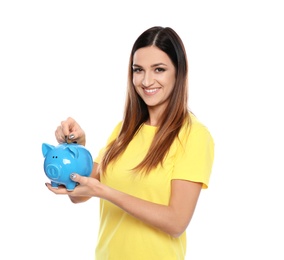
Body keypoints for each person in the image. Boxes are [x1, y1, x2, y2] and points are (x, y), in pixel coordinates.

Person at [46, 26, 215, 260]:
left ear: (179, 72)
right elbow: (79, 194)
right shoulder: (124, 130)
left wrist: (106, 192)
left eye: (159, 69)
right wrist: (76, 149)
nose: (146, 80)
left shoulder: (194, 135)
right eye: (138, 70)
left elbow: (176, 222)